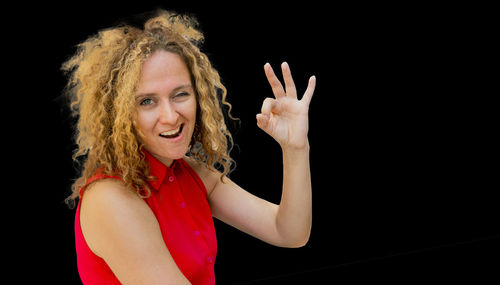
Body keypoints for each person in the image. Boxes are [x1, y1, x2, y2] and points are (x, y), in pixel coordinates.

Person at [62, 9, 316, 285]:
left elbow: (288, 232)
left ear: (199, 96)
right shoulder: (109, 199)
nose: (170, 116)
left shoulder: (192, 174)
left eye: (180, 94)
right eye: (147, 101)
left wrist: (296, 149)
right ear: (119, 113)